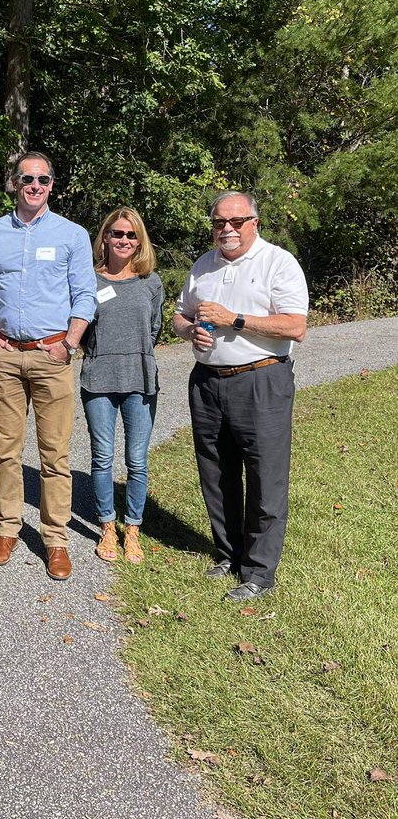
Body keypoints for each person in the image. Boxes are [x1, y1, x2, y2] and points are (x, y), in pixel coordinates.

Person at [172, 191, 308, 602]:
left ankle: (259, 572)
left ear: (254, 222)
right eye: (219, 222)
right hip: (207, 382)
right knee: (216, 473)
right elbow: (180, 314)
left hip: (260, 380)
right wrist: (188, 331)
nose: (227, 229)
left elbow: (295, 326)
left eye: (236, 221)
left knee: (265, 478)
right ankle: (228, 554)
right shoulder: (204, 265)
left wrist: (235, 320)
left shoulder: (277, 262)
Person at [0, 152, 97, 580]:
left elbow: (85, 294)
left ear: (52, 184)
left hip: (52, 355)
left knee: (54, 453)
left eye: (43, 180)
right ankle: (7, 528)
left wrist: (70, 343)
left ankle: (55, 538)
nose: (35, 186)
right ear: (15, 182)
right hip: (5, 354)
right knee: (6, 450)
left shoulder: (71, 234)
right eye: (27, 179)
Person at [81, 207, 164, 565]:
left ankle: (132, 529)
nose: (124, 240)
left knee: (137, 460)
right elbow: (80, 328)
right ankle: (107, 527)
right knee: (102, 457)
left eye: (131, 235)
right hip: (98, 378)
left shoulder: (151, 282)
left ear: (139, 241)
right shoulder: (89, 280)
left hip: (140, 379)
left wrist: (134, 352)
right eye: (117, 233)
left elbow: (155, 327)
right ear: (105, 237)